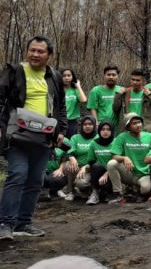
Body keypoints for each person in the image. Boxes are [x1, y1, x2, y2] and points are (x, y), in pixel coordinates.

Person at [0, 36, 67, 239]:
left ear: (49, 55)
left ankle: (23, 223)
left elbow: (61, 106)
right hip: (17, 134)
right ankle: (5, 224)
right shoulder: (14, 71)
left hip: (44, 137)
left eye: (40, 51)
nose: (35, 55)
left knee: (35, 180)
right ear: (27, 51)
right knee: (17, 174)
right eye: (32, 50)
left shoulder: (54, 76)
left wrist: (61, 130)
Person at [107, 113, 151, 204]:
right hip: (129, 172)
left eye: (139, 122)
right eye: (134, 123)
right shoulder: (122, 137)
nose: (138, 125)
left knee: (146, 189)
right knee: (111, 163)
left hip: (144, 173)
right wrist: (124, 158)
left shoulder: (150, 137)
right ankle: (119, 194)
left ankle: (136, 191)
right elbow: (114, 156)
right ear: (128, 127)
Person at [59, 115, 98, 200]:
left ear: (94, 125)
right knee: (68, 164)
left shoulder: (97, 138)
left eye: (90, 124)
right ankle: (71, 191)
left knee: (81, 183)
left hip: (90, 168)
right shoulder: (75, 137)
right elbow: (70, 150)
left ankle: (90, 189)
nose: (87, 126)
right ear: (81, 126)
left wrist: (86, 166)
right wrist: (72, 157)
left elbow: (98, 157)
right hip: (77, 166)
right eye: (85, 124)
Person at [113, 69, 151, 134]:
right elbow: (115, 109)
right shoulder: (125, 92)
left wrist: (150, 96)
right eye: (132, 79)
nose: (134, 82)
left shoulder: (148, 92)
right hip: (128, 128)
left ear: (143, 81)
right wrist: (118, 95)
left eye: (138, 80)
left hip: (145, 128)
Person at [82, 121, 115, 205]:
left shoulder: (116, 142)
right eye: (103, 129)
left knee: (107, 185)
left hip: (114, 172)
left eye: (108, 129)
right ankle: (95, 193)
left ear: (112, 131)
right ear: (99, 131)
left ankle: (110, 193)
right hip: (99, 172)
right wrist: (83, 168)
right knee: (96, 166)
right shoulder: (94, 143)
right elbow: (91, 161)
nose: (105, 132)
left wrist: (106, 174)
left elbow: (119, 161)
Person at [42, 137, 71, 202]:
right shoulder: (41, 137)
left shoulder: (65, 140)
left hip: (56, 170)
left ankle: (55, 191)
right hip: (42, 168)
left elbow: (66, 157)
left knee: (57, 179)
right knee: (41, 177)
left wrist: (60, 169)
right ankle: (42, 192)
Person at [61, 68, 87, 138]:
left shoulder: (75, 90)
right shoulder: (59, 90)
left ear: (72, 77)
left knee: (70, 143)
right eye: (64, 76)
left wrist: (78, 86)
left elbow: (84, 100)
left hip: (72, 121)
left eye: (69, 75)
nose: (66, 78)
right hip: (60, 120)